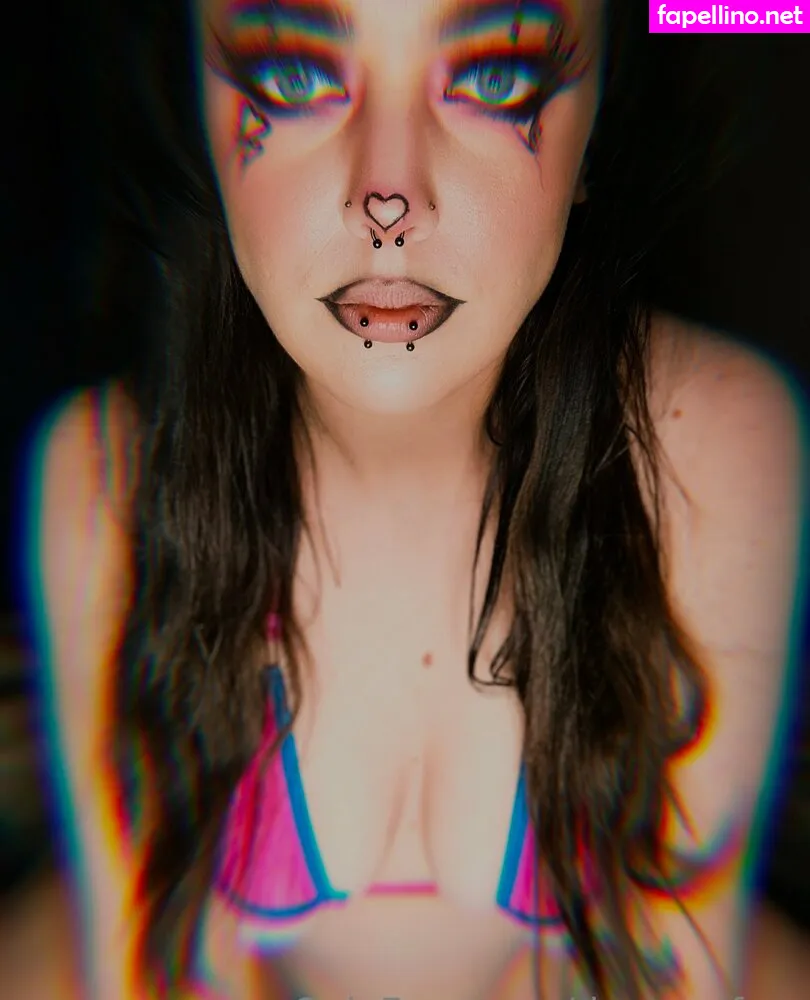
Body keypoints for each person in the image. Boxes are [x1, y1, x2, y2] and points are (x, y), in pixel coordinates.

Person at [19, 0, 809, 998]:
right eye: (295, 78)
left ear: (597, 117)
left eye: (494, 78)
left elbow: (663, 973)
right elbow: (148, 974)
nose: (387, 198)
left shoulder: (703, 447)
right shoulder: (111, 475)